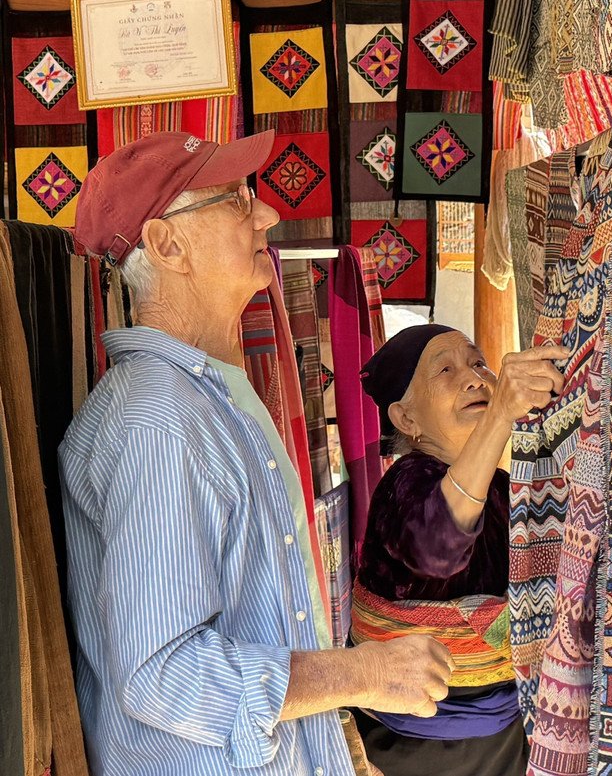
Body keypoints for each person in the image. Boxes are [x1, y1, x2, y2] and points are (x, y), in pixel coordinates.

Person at [59, 130, 454, 776]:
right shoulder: (159, 420)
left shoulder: (204, 400)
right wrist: (359, 674)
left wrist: (337, 740)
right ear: (167, 243)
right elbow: (161, 674)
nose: (267, 214)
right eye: (238, 199)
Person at [351, 324, 569, 776]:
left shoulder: (505, 489)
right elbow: (437, 546)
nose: (474, 378)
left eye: (478, 363)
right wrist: (500, 416)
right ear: (407, 420)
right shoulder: (404, 483)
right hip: (409, 746)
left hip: (504, 735)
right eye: (446, 370)